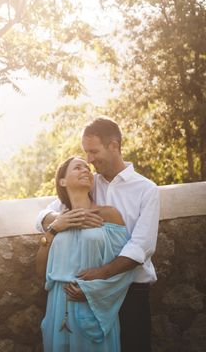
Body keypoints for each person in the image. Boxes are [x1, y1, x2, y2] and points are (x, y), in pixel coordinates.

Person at [36, 117, 160, 351]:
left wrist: (99, 277)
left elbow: (141, 247)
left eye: (93, 152)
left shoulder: (146, 190)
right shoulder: (92, 184)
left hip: (131, 292)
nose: (89, 160)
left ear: (114, 146)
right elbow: (44, 215)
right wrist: (58, 222)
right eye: (86, 154)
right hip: (86, 295)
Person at [37, 156, 135, 351]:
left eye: (87, 168)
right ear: (62, 181)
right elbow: (40, 271)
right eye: (77, 167)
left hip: (92, 304)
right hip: (58, 304)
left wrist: (92, 292)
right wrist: (55, 229)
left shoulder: (108, 215)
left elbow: (125, 268)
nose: (85, 170)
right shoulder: (56, 220)